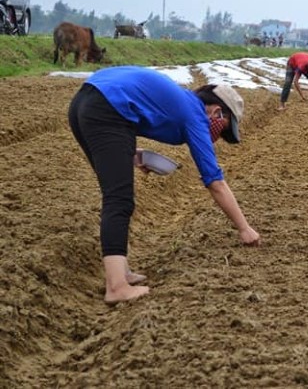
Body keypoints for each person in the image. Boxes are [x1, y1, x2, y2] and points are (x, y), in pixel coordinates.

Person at [67, 66, 261, 305]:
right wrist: (244, 228)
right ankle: (116, 287)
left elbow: (129, 107)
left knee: (116, 194)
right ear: (217, 112)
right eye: (224, 129)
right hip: (106, 109)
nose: (218, 136)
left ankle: (121, 271)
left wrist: (128, 152)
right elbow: (215, 181)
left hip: (85, 102)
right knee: (119, 198)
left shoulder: (182, 101)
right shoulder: (196, 115)